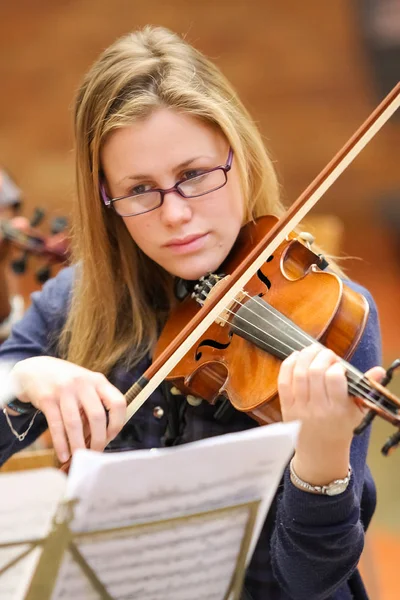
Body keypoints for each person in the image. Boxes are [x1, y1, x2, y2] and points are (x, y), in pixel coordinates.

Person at [0, 26, 384, 600]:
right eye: (139, 190)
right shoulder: (85, 298)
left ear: (240, 157)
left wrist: (322, 462)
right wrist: (25, 376)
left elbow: (309, 582)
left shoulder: (331, 312)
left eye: (195, 175)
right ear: (106, 197)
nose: (175, 215)